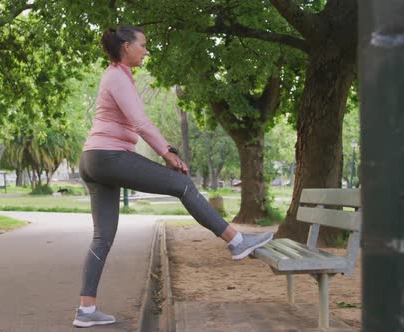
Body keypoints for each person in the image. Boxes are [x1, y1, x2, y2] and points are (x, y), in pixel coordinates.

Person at [72, 25, 273, 328]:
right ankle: (237, 241)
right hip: (108, 156)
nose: (146, 50)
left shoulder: (116, 75)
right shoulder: (117, 75)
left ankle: (86, 310)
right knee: (182, 184)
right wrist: (167, 152)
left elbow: (133, 122)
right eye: (143, 44)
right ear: (126, 46)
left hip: (93, 159)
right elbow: (139, 123)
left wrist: (166, 150)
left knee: (102, 238)